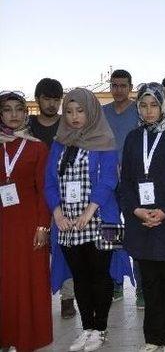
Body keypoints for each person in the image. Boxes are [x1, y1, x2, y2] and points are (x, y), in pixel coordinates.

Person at [45, 88, 132, 352]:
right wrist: (57, 213)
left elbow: (109, 179)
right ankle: (87, 329)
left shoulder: (105, 139)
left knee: (101, 276)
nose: (74, 117)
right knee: (80, 277)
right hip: (68, 223)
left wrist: (89, 211)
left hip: (103, 219)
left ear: (91, 112)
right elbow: (49, 181)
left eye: (80, 111)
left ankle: (100, 328)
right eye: (69, 111)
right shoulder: (59, 143)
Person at [118, 83, 165, 352]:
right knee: (149, 284)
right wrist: (136, 211)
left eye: (153, 105)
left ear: (162, 106)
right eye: (143, 105)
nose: (148, 111)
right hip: (141, 222)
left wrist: (163, 211)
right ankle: (153, 337)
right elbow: (125, 181)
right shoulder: (132, 138)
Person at [0, 91, 53, 351]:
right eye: (7, 109)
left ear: (25, 113)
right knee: (5, 280)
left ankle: (28, 337)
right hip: (3, 224)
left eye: (18, 110)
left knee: (28, 279)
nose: (13, 115)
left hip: (30, 223)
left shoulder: (37, 147)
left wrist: (43, 226)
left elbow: (44, 189)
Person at [27, 77, 79, 319]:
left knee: (64, 247)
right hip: (32, 197)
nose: (51, 104)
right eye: (47, 98)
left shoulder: (67, 125)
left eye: (56, 99)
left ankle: (68, 298)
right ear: (38, 99)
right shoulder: (26, 126)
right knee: (36, 249)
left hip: (64, 196)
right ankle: (35, 298)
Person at [102, 69, 142, 305]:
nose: (118, 90)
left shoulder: (139, 110)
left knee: (137, 232)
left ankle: (141, 287)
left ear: (130, 87)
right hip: (107, 183)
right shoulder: (103, 112)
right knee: (110, 232)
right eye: (114, 85)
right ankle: (115, 282)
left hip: (134, 181)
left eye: (123, 85)